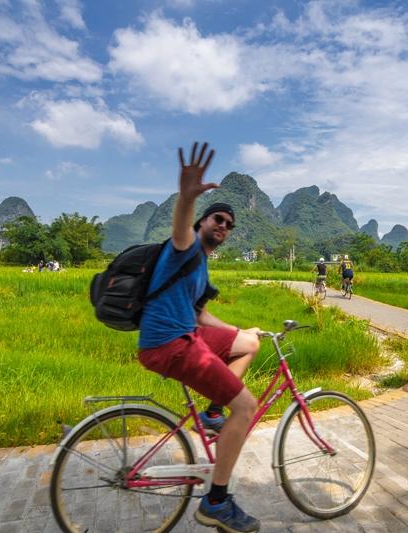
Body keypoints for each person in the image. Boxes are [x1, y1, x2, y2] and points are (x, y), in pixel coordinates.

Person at [136, 142, 261, 533]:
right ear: (202, 222)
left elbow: (200, 314)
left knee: (249, 345)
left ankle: (210, 415)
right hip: (171, 345)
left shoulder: (200, 265)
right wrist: (187, 197)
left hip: (185, 335)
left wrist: (240, 331)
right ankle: (216, 502)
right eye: (217, 219)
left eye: (228, 224)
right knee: (245, 407)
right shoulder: (184, 245)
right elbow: (180, 224)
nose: (223, 226)